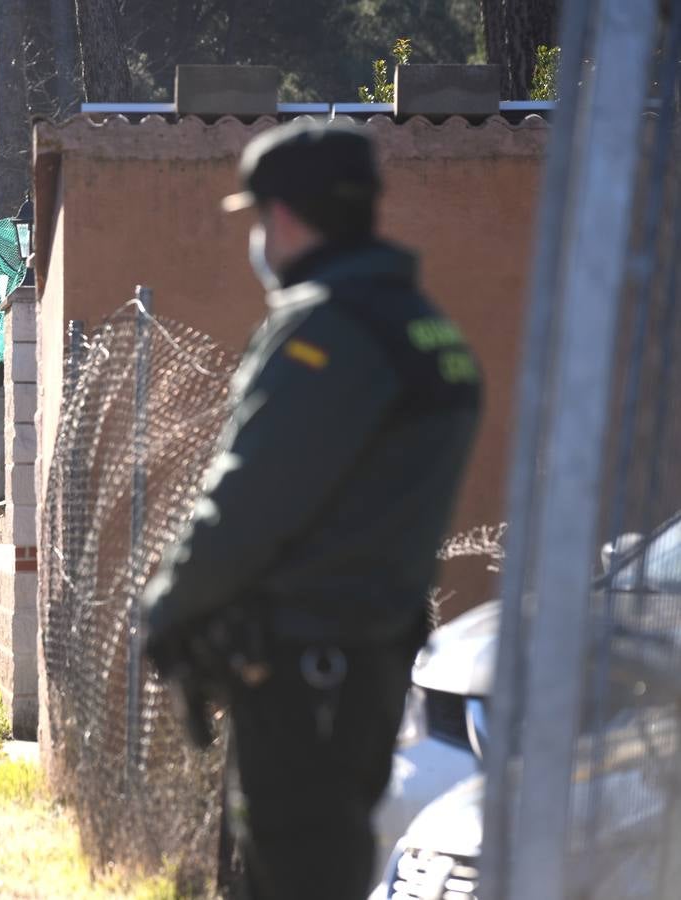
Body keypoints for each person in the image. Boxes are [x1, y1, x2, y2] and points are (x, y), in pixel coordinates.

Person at [141, 119, 483, 900]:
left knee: (294, 871)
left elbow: (250, 496)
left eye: (260, 219)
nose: (259, 240)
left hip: (304, 669)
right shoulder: (430, 330)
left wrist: (169, 608)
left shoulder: (326, 328)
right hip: (373, 660)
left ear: (285, 216)